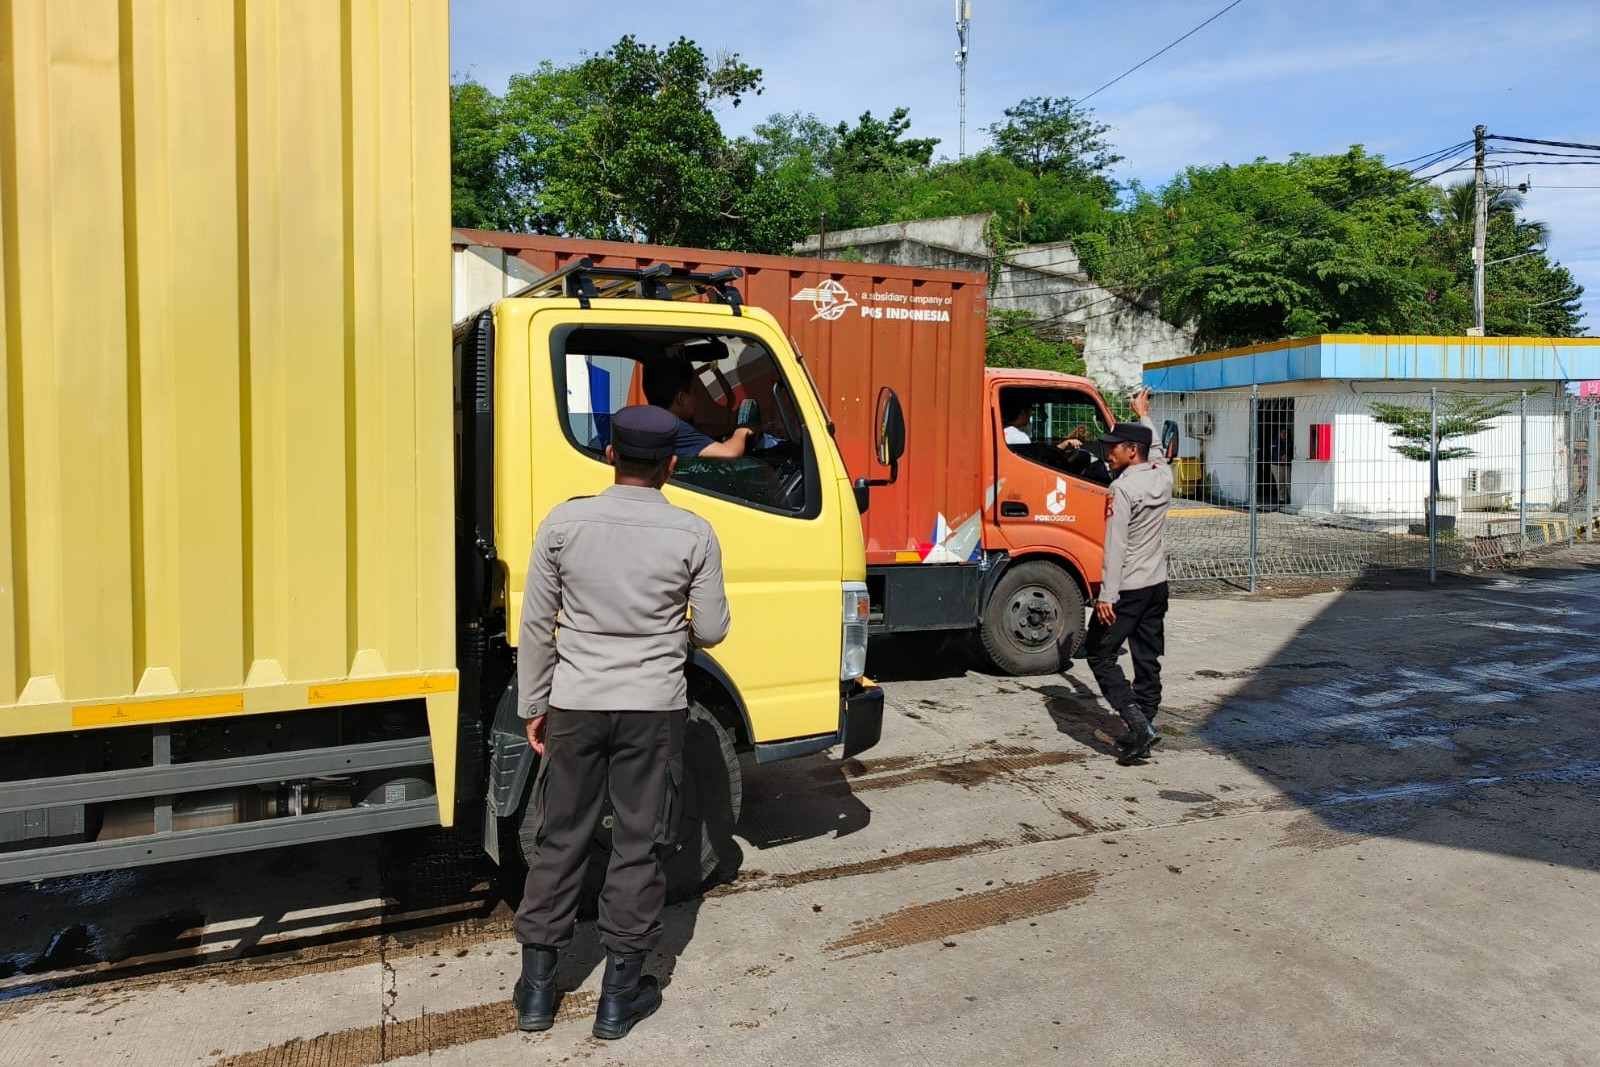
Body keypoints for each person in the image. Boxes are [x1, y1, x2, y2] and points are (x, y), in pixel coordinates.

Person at [512, 404, 731, 1041]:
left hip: (575, 704)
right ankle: (617, 999)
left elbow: (536, 625)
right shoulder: (694, 533)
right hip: (653, 709)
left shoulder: (563, 524)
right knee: (639, 844)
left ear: (610, 455)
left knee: (561, 838)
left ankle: (536, 993)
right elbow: (713, 628)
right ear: (671, 465)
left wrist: (534, 705)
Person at [1083, 389, 1172, 765]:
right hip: (1156, 584)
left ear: (1132, 451)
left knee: (1099, 654)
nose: (1108, 452)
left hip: (1128, 588)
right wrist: (1143, 414)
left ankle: (1137, 725)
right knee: (1147, 655)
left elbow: (1115, 545)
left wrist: (1107, 595)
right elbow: (1157, 449)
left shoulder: (1120, 489)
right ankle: (1145, 722)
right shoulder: (1163, 475)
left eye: (1114, 447)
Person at [642, 358, 755, 459]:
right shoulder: (676, 428)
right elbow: (730, 452)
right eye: (694, 392)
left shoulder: (649, 421)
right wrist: (742, 429)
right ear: (681, 399)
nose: (696, 398)